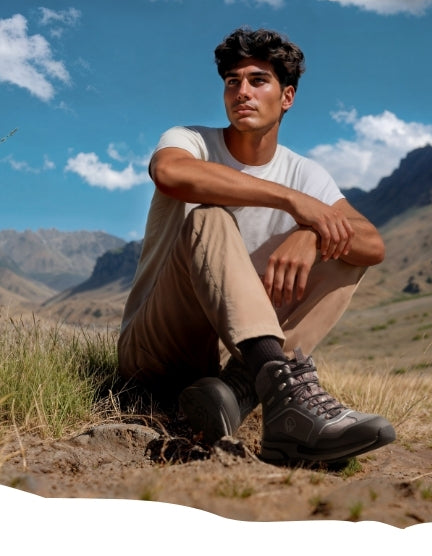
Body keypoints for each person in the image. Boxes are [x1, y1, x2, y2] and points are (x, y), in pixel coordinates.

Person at [117, 27, 395, 464]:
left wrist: (310, 233)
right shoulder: (190, 140)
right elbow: (169, 174)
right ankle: (282, 391)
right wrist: (293, 201)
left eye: (257, 80)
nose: (241, 92)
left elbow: (373, 244)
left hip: (228, 360)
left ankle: (246, 396)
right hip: (157, 348)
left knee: (346, 250)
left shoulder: (306, 172)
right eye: (232, 81)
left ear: (286, 97)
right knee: (209, 217)